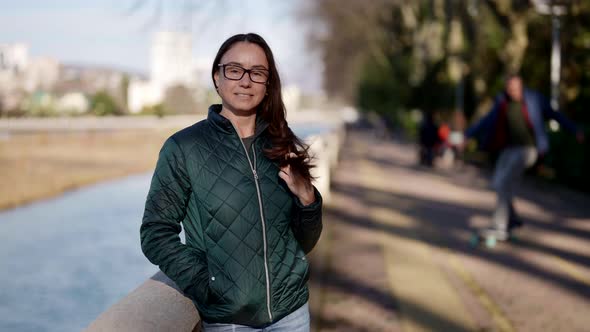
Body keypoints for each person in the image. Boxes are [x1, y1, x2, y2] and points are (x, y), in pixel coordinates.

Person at [140, 33, 323, 331]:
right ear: (217, 77)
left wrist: (308, 199)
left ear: (268, 84)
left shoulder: (280, 143)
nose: (245, 80)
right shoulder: (184, 148)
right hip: (230, 323)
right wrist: (207, 284)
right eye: (234, 69)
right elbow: (155, 233)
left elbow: (306, 241)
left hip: (292, 315)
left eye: (257, 72)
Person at [464, 74, 584, 240]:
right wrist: (467, 135)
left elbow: (554, 114)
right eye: (509, 88)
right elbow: (485, 121)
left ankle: (499, 226)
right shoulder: (502, 102)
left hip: (528, 150)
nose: (513, 91)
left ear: (521, 86)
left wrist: (574, 130)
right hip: (508, 149)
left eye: (515, 88)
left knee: (505, 183)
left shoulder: (534, 99)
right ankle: (512, 219)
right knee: (498, 183)